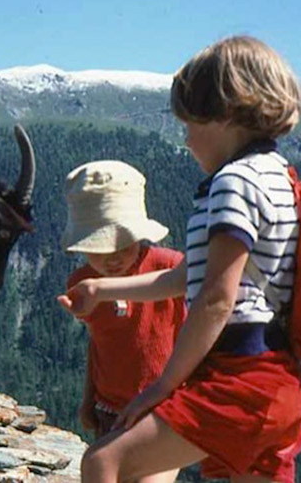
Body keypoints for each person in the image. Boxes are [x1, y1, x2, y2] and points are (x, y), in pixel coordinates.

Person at [57, 35, 301, 483]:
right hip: (281, 381)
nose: (187, 140)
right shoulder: (278, 176)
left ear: (226, 113)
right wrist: (101, 289)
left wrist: (163, 387)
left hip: (240, 378)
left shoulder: (234, 183)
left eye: (190, 123)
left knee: (103, 461)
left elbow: (214, 299)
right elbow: (186, 277)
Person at [61, 160, 186, 483]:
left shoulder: (170, 269)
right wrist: (88, 401)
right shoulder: (82, 282)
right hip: (109, 411)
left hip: (163, 408)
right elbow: (98, 342)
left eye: (123, 244)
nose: (113, 257)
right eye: (100, 247)